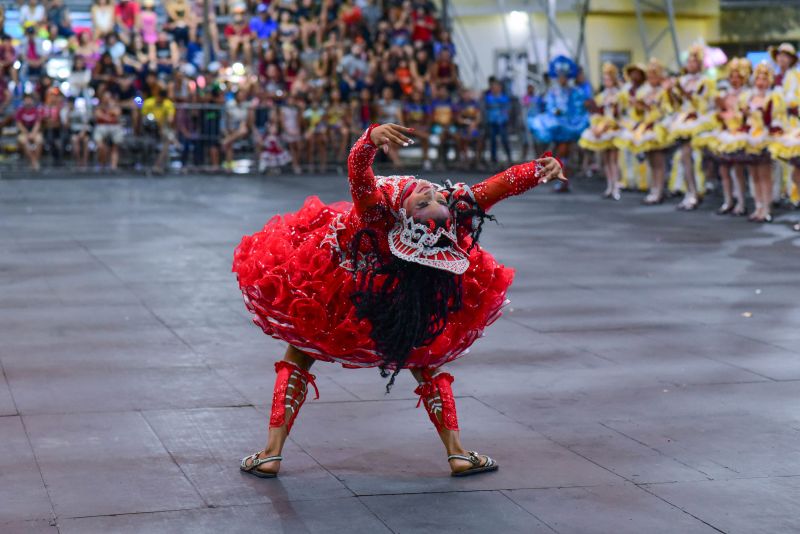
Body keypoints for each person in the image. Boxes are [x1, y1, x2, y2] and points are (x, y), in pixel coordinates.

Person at [234, 123, 566, 479]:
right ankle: (457, 453)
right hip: (385, 284)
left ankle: (271, 453)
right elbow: (499, 186)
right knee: (424, 359)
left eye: (428, 201)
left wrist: (368, 140)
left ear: (405, 217)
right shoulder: (453, 208)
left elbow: (359, 175)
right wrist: (538, 169)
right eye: (434, 200)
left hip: (348, 289)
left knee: (300, 352)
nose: (434, 194)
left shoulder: (376, 212)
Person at [615, 58, 674, 204]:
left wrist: (649, 109)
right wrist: (638, 106)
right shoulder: (645, 91)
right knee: (651, 160)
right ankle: (654, 188)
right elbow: (639, 114)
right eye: (650, 76)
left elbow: (668, 110)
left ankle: (659, 190)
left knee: (659, 161)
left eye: (654, 76)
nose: (652, 79)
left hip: (658, 126)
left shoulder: (663, 92)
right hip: (646, 126)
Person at [668, 45, 716, 210]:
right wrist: (671, 92)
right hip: (683, 120)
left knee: (695, 158)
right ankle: (690, 191)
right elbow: (677, 104)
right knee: (684, 158)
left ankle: (697, 191)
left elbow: (701, 104)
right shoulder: (683, 80)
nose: (690, 64)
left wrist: (683, 92)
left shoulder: (705, 81)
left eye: (694, 61)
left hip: (698, 121)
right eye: (688, 61)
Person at [701, 58, 752, 216]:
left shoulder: (747, 95)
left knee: (737, 170)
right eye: (732, 76)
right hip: (725, 133)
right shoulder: (726, 94)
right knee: (723, 170)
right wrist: (720, 110)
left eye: (737, 76)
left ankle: (741, 203)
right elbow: (721, 112)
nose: (734, 79)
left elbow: (746, 116)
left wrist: (733, 117)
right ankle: (728, 200)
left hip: (739, 134)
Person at [742, 62, 785, 223]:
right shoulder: (749, 97)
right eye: (758, 79)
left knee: (765, 174)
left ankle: (767, 207)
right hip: (750, 138)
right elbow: (744, 120)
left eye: (764, 79)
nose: (760, 82)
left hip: (765, 138)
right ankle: (758, 206)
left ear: (770, 81)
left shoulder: (773, 98)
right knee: (753, 175)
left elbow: (776, 121)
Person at [579, 62, 622, 200]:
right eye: (604, 79)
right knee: (606, 160)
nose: (606, 82)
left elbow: (618, 114)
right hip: (603, 129)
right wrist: (596, 126)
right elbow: (597, 112)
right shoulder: (602, 95)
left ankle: (616, 187)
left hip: (614, 128)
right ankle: (609, 186)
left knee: (614, 159)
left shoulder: (619, 94)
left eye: (608, 79)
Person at [141, 84, 177, 173]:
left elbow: (170, 118)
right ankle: (149, 165)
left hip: (163, 126)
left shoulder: (168, 104)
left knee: (168, 140)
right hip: (149, 127)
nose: (160, 100)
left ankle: (158, 164)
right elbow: (143, 116)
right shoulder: (149, 102)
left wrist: (165, 123)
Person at [93, 90, 124, 170]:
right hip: (101, 127)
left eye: (108, 97)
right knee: (101, 146)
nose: (106, 99)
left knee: (115, 146)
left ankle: (113, 166)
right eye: (105, 97)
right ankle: (102, 164)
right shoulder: (98, 106)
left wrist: (110, 108)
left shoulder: (114, 105)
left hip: (114, 127)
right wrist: (109, 116)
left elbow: (117, 113)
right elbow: (98, 115)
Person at [485, 78, 512, 166]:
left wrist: (503, 118)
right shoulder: (488, 98)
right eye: (493, 87)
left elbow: (507, 110)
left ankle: (509, 157)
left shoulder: (504, 98)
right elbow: (486, 109)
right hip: (492, 122)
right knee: (493, 141)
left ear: (500, 88)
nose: (495, 89)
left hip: (502, 123)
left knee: (504, 140)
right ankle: (493, 159)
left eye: (496, 87)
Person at [16, 93, 44, 171]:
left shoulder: (36, 110)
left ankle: (35, 161)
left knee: (39, 140)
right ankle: (33, 161)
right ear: (23, 101)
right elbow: (19, 124)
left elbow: (38, 123)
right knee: (24, 142)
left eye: (29, 100)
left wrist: (33, 133)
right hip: (24, 132)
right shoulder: (20, 111)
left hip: (34, 131)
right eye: (26, 100)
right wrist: (27, 133)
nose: (28, 101)